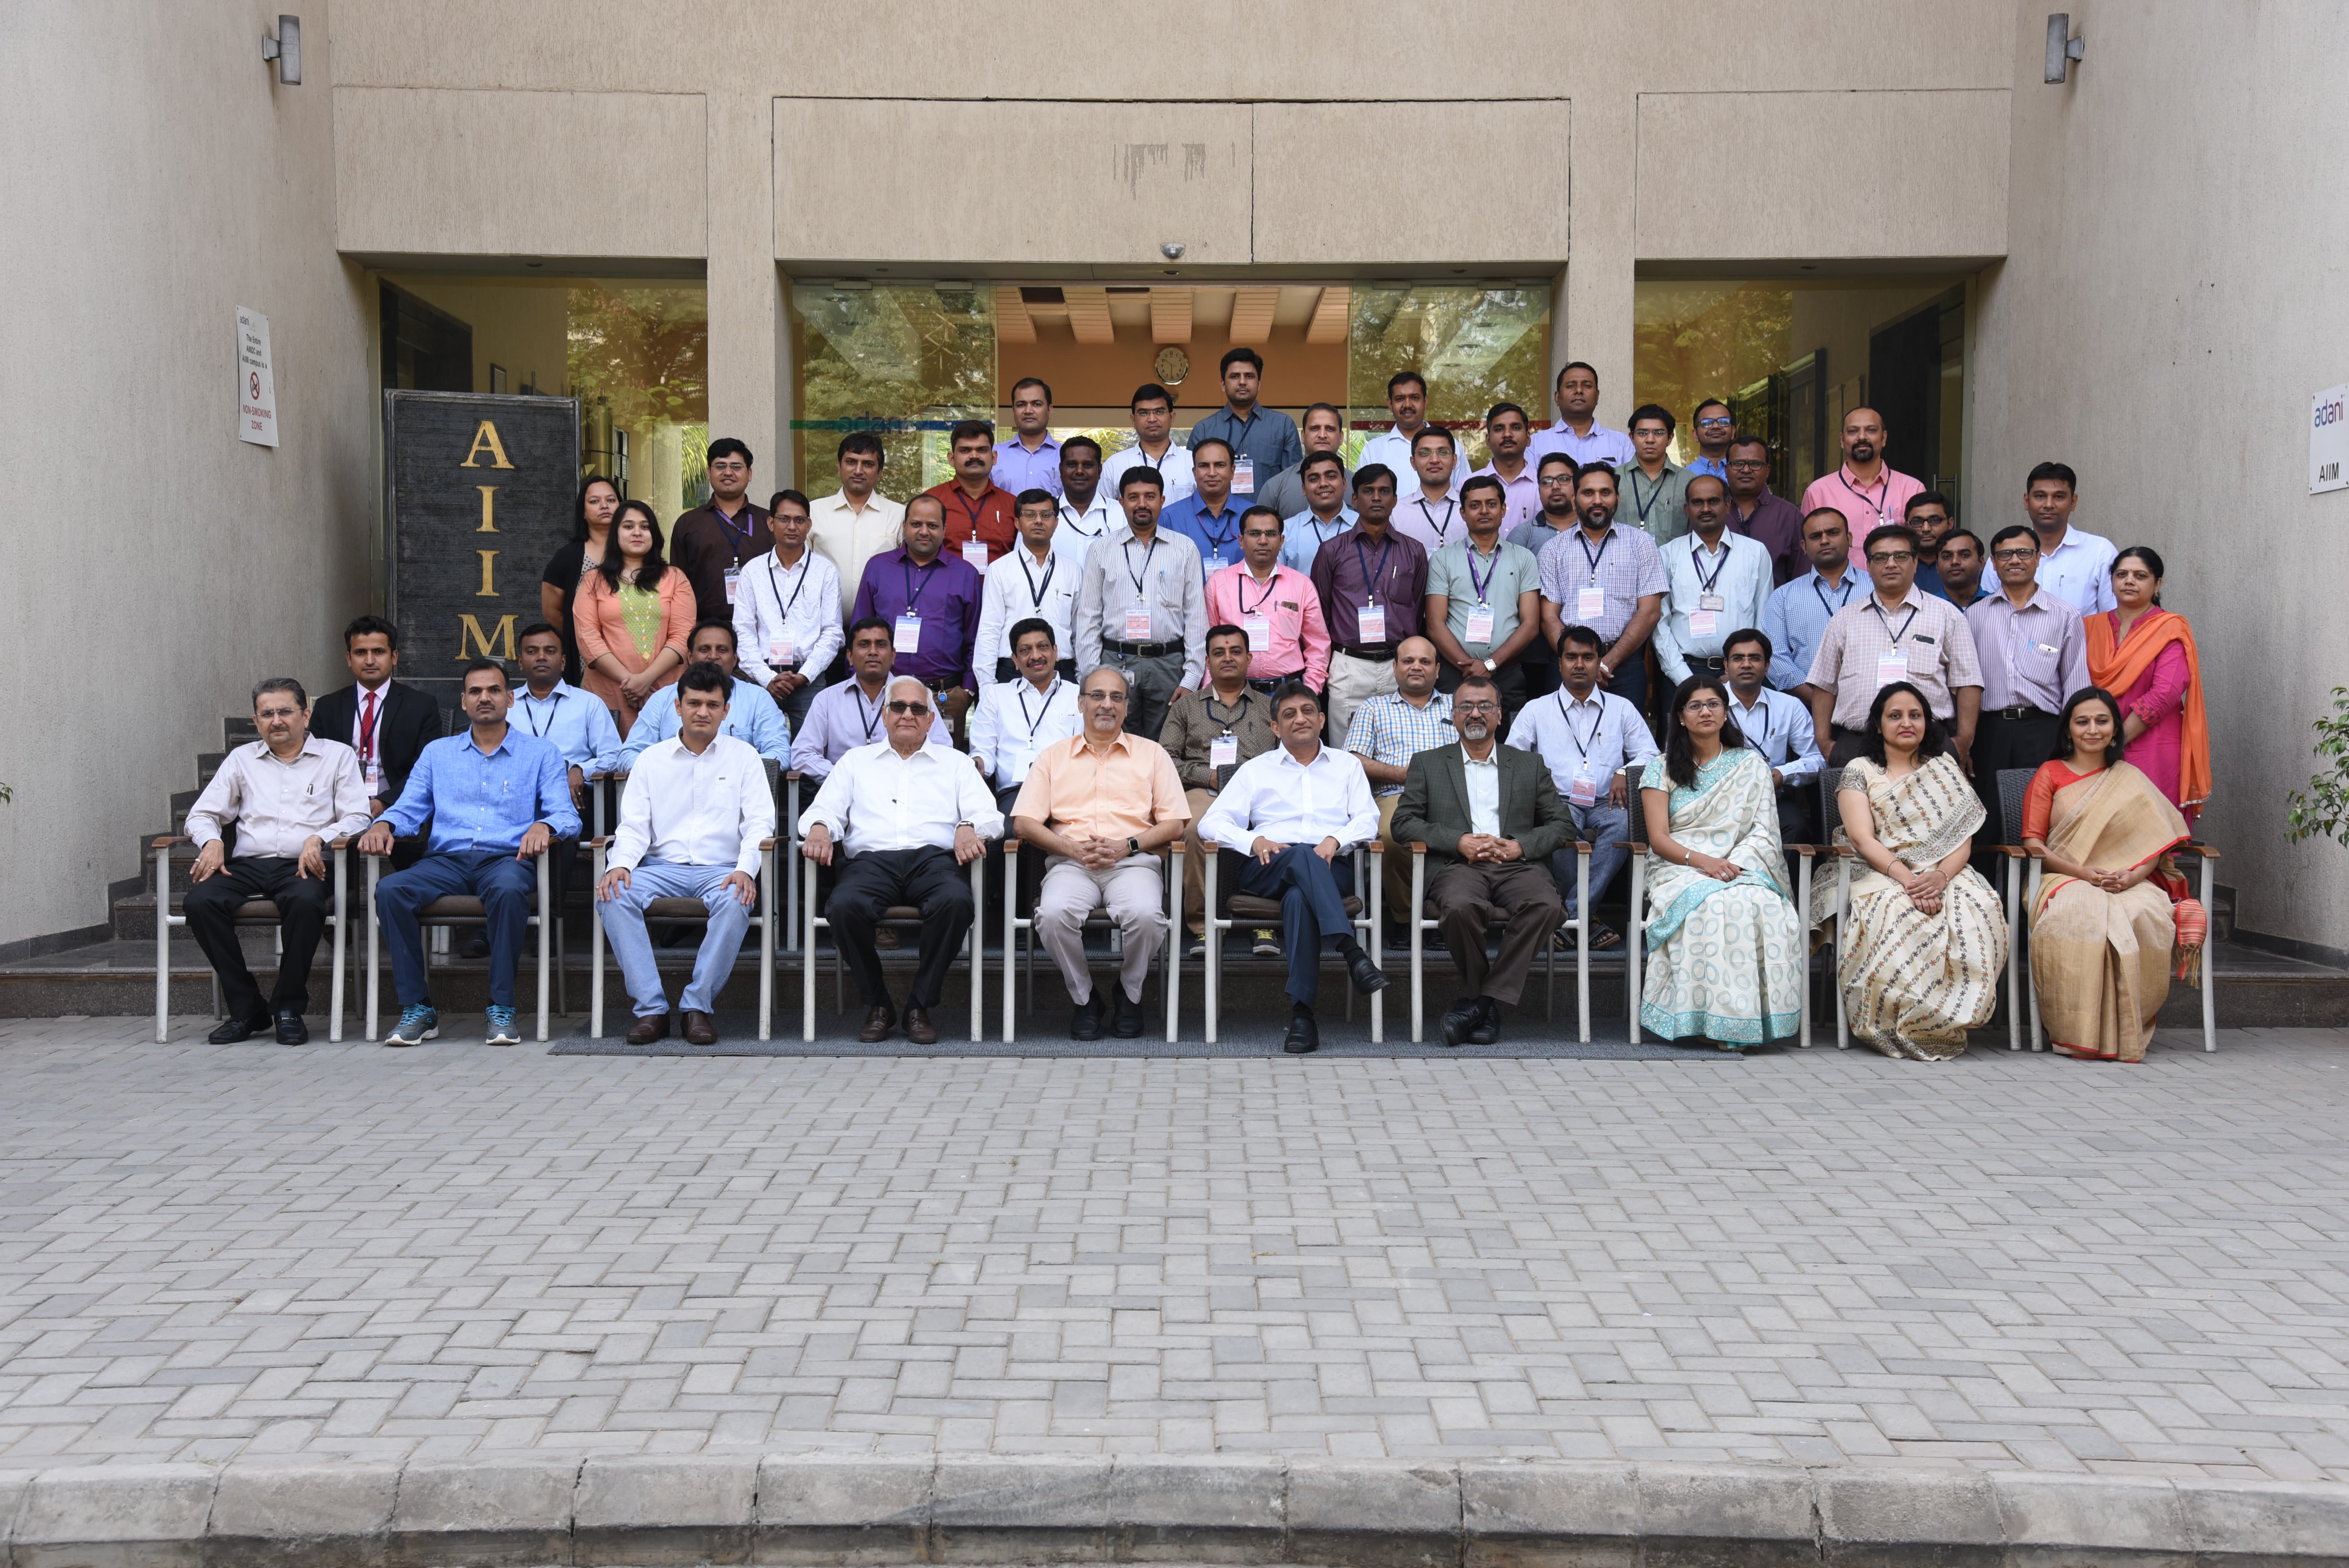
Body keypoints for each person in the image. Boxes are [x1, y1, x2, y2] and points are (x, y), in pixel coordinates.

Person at [359, 659, 579, 1048]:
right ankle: (418, 1008)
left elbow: (567, 815)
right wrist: (385, 824)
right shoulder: (438, 753)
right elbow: (410, 807)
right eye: (475, 691)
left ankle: (502, 1006)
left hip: (506, 860)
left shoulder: (541, 753)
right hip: (446, 861)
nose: (485, 698)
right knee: (391, 890)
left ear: (510, 698)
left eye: (494, 690)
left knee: (509, 891)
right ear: (463, 702)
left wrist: (544, 826)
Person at [800, 677, 1002, 1044]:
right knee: (843, 907)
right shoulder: (855, 762)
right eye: (898, 707)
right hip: (871, 862)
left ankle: (918, 1006)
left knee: (956, 903)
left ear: (930, 720)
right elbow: (824, 810)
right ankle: (878, 1004)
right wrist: (818, 828)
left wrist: (968, 827)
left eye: (918, 709)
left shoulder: (955, 763)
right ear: (884, 715)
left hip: (934, 861)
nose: (908, 714)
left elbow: (992, 818)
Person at [1818, 681, 2009, 1060]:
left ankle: (1946, 1021)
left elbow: (1963, 838)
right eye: (1895, 716)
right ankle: (1895, 1023)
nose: (1906, 723)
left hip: (1944, 871)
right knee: (1893, 910)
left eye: (1915, 715)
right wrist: (1909, 881)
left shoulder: (1943, 768)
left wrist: (1939, 878)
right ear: (1878, 724)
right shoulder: (1860, 769)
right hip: (1878, 870)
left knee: (1979, 905)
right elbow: (1862, 838)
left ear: (1927, 722)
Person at [1197, 682, 1389, 1055]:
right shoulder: (1255, 770)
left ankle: (1303, 1017)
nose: (1300, 719)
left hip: (1330, 866)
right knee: (1301, 855)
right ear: (1275, 728)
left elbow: (1368, 820)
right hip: (1268, 866)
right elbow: (1211, 823)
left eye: (1307, 711)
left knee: (1300, 898)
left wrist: (1335, 839)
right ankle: (1351, 951)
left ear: (1322, 719)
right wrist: (1253, 841)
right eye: (1289, 714)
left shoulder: (1347, 766)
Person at [595, 661, 777, 1046]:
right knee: (613, 893)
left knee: (736, 899)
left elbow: (760, 823)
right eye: (694, 703)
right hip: (661, 868)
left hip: (722, 869)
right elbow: (634, 826)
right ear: (678, 707)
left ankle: (697, 1007)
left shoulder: (745, 757)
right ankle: (651, 1009)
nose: (702, 712)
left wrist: (746, 869)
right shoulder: (651, 759)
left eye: (713, 705)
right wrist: (620, 864)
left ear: (726, 711)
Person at [181, 677, 371, 1044]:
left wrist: (320, 837)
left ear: (306, 716)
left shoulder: (337, 756)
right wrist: (212, 840)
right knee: (200, 903)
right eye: (267, 714)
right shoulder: (242, 760)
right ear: (256, 722)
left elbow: (358, 816)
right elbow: (202, 814)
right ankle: (247, 1009)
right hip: (249, 865)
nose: (277, 721)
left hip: (306, 865)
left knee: (305, 902)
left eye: (285, 711)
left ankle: (287, 1008)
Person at [1390, 674, 1572, 1048]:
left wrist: (1520, 846)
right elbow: (1403, 823)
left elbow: (1562, 824)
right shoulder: (1428, 763)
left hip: (1517, 865)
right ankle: (1485, 1005)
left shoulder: (1529, 764)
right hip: (1459, 866)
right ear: (1454, 715)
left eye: (1485, 706)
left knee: (1547, 906)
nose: (1476, 714)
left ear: (1500, 715)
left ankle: (1480, 1004)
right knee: (1460, 908)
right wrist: (1457, 841)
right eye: (1467, 707)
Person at [1011, 668, 1190, 1039]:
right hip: (1071, 865)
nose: (1107, 704)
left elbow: (1175, 823)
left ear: (1127, 707)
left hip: (1133, 864)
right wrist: (1073, 849)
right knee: (1053, 916)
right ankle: (1085, 998)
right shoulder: (1053, 757)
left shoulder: (1152, 754)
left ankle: (1129, 992)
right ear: (1081, 704)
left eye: (1116, 697)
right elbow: (1024, 823)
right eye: (1097, 696)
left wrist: (1128, 846)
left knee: (1147, 916)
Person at [2023, 687, 2198, 1062]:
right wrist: (2082, 873)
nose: (2092, 730)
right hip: (2065, 877)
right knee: (2078, 916)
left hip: (2127, 881)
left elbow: (2155, 842)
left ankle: (2125, 1030)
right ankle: (2078, 1031)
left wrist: (2133, 877)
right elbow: (2034, 845)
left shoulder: (2130, 778)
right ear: (2068, 730)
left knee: (2146, 914)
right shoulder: (2050, 774)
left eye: (2102, 721)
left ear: (2115, 729)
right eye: (2082, 722)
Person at [1636, 675, 1805, 1049]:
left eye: (1713, 704)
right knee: (1711, 905)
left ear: (1726, 713)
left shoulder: (1750, 765)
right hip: (1679, 867)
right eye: (1695, 706)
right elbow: (1659, 840)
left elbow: (1763, 831)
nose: (1706, 712)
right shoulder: (1660, 768)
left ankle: (1748, 1022)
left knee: (1757, 902)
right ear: (1681, 717)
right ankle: (1705, 1020)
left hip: (1742, 866)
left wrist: (1734, 868)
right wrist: (1707, 864)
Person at [1506, 623, 1657, 950]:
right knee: (1560, 824)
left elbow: (1650, 754)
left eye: (1588, 657)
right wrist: (1540, 782)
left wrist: (1624, 770)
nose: (1579, 664)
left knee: (1624, 824)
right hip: (1558, 799)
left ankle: (1569, 916)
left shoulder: (1621, 708)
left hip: (1608, 801)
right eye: (1571, 657)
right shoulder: (1537, 709)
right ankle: (1587, 919)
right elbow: (1513, 758)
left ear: (1599, 662)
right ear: (1560, 663)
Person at [1804, 524, 1982, 770]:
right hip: (1857, 744)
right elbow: (1824, 684)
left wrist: (1962, 743)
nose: (1891, 564)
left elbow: (1968, 683)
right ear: (1868, 566)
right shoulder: (1844, 619)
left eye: (1900, 556)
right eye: (1880, 558)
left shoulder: (1947, 616)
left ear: (1915, 562)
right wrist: (1825, 744)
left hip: (1929, 744)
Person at [1159, 625, 1278, 954]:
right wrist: (1207, 776)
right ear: (1207, 662)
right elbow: (1165, 760)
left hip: (1259, 793)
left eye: (1236, 651)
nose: (1228, 658)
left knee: (1275, 826)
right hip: (1204, 790)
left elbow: (1288, 757)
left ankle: (1265, 923)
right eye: (1219, 653)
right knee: (1194, 829)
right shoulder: (1185, 707)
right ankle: (1204, 927)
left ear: (1249, 659)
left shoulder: (1270, 707)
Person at [1967, 524, 2091, 827]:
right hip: (1989, 731)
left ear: (2038, 559)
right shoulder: (1974, 615)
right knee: (1986, 820)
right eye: (2005, 554)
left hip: (2043, 731)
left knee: (2044, 817)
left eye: (2024, 553)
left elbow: (2077, 686)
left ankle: (2039, 863)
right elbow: (1964, 681)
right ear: (1993, 563)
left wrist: (2074, 743)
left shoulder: (2065, 615)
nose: (2015, 560)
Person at [1074, 467, 1208, 740]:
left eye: (1150, 496)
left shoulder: (1185, 549)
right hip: (1115, 661)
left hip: (1169, 664)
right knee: (1114, 742)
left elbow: (1196, 617)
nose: (1142, 504)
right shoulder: (1101, 550)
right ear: (1121, 502)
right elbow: (1088, 618)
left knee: (1169, 744)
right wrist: (1092, 676)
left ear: (1162, 500)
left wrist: (1192, 677)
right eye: (1133, 497)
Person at [2086, 545, 2210, 827]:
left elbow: (2165, 694)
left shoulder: (2169, 629)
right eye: (2122, 575)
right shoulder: (2090, 627)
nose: (2129, 581)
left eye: (2140, 576)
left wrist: (2115, 742)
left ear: (2157, 584)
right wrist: (2095, 741)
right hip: (2093, 742)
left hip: (2153, 746)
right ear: (2111, 581)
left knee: (2151, 828)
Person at [1344, 638, 1454, 944]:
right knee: (1392, 838)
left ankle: (1445, 916)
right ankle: (1407, 919)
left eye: (1425, 662)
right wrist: (1404, 775)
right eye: (1408, 661)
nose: (1416, 667)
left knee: (1466, 835)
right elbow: (1353, 760)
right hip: (1396, 795)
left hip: (1453, 795)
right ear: (1395, 668)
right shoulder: (1373, 708)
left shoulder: (1457, 705)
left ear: (1438, 670)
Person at [1312, 465, 1429, 746]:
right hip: (1349, 667)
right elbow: (1321, 612)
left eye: (1384, 491)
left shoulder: (1414, 551)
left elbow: (1418, 608)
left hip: (1397, 667)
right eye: (1368, 491)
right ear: (1355, 499)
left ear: (1395, 500)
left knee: (1398, 747)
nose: (1377, 498)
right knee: (1346, 752)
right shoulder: (1332, 550)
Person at [1535, 462, 1666, 714]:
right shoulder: (1553, 549)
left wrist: (1606, 664)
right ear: (1574, 500)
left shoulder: (1641, 544)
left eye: (1605, 493)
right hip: (1567, 667)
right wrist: (1578, 660)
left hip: (1624, 667)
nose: (1597, 500)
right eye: (1588, 493)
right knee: (1561, 736)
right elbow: (1548, 617)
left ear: (1618, 498)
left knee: (1625, 738)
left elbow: (1650, 612)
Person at [850, 492, 984, 737]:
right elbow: (859, 633)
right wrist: (859, 688)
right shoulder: (878, 568)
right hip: (885, 695)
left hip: (944, 697)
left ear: (945, 529)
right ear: (904, 527)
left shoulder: (966, 574)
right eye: (916, 524)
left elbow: (976, 639)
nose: (924, 532)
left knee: (942, 761)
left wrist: (968, 692)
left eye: (932, 526)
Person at [575, 499, 695, 734]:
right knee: (609, 754)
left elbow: (683, 636)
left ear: (654, 535)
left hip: (664, 690)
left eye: (645, 527)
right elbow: (587, 637)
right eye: (628, 526)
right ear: (616, 534)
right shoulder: (593, 580)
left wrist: (646, 680)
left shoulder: (675, 578)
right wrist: (632, 683)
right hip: (609, 690)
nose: (637, 533)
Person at [1426, 474, 1542, 716]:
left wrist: (1491, 664)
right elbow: (1435, 624)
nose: (1484, 511)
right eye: (1475, 505)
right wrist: (1469, 667)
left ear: (1503, 509)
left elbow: (1531, 624)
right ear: (1463, 513)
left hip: (1507, 672)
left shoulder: (1524, 558)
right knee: (1453, 736)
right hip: (1455, 672)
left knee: (1508, 738)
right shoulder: (1442, 559)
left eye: (1491, 504)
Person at [733, 488, 843, 733]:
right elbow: (743, 630)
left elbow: (833, 632)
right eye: (784, 519)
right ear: (771, 523)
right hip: (761, 678)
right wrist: (767, 678)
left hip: (809, 678)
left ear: (809, 525)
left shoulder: (825, 571)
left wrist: (805, 675)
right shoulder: (753, 571)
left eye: (799, 520)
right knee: (759, 747)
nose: (792, 526)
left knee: (812, 749)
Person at [615, 619, 792, 770]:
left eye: (722, 650)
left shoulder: (758, 698)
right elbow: (629, 756)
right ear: (690, 657)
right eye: (705, 649)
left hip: (735, 792)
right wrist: (677, 769)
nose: (713, 656)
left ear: (735, 659)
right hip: (673, 792)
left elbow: (780, 754)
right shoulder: (662, 699)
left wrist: (726, 769)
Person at [789, 617, 950, 781]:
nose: (873, 652)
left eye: (881, 645)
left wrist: (906, 778)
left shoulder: (918, 696)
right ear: (850, 656)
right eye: (864, 645)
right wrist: (845, 778)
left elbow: (943, 750)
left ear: (893, 655)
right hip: (847, 792)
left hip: (906, 789)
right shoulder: (828, 700)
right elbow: (802, 754)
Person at [312, 616, 440, 823]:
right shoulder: (328, 707)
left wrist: (385, 802)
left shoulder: (421, 706)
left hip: (397, 808)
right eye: (361, 653)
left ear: (394, 657)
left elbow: (426, 768)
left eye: (379, 652)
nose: (370, 661)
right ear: (349, 658)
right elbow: (315, 765)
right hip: (337, 810)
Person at [1654, 474, 1773, 687]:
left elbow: (1764, 619)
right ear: (1687, 510)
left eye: (1714, 501)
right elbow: (1660, 622)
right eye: (1698, 502)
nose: (1706, 509)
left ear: (1728, 506)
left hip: (1740, 672)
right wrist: (1684, 678)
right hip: (1683, 671)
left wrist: (1744, 667)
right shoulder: (1667, 555)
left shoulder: (1755, 553)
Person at [1205, 505, 1330, 693]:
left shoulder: (1302, 585)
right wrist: (1210, 690)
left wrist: (1310, 690)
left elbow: (1318, 644)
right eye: (1255, 534)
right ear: (1241, 540)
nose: (1263, 541)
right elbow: (1207, 643)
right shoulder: (1218, 584)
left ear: (1281, 541)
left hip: (1288, 691)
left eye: (1270, 534)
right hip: (1233, 691)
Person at [1721, 629, 1825, 848]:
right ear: (1726, 666)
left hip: (1771, 799)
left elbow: (1817, 758)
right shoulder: (1708, 704)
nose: (1746, 664)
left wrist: (1782, 775)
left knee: (1797, 827)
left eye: (1755, 658)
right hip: (1718, 799)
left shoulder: (1789, 706)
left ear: (1767, 666)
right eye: (1738, 658)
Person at [969, 618, 1081, 815]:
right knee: (1012, 827)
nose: (1036, 656)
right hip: (1016, 794)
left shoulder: (1079, 696)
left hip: (1068, 792)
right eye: (1025, 650)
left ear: (1056, 652)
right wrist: (977, 764)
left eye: (1043, 647)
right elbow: (984, 752)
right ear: (1015, 660)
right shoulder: (997, 696)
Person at [514, 622, 623, 813]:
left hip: (572, 798)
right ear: (521, 662)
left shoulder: (588, 703)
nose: (541, 657)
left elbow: (615, 756)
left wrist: (581, 769)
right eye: (532, 652)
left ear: (563, 662)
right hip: (513, 797)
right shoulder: (506, 705)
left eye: (550, 651)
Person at [975, 488, 1081, 682]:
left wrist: (1082, 679)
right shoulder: (999, 569)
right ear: (1017, 523)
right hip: (1012, 672)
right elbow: (989, 629)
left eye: (1046, 515)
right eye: (1030, 515)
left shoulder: (1073, 570)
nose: (1039, 521)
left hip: (1062, 673)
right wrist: (987, 684)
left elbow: (1081, 630)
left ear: (1056, 523)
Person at [1798, 410, 1923, 565]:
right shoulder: (1818, 492)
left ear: (1884, 438)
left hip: (1898, 581)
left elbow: (1924, 548)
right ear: (1842, 440)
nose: (1862, 437)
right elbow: (1807, 555)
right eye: (1853, 431)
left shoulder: (1912, 489)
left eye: (1871, 430)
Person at [668, 438, 770, 625]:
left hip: (762, 629)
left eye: (736, 467)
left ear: (749, 474)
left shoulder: (769, 522)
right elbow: (677, 584)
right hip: (705, 630)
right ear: (709, 473)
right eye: (721, 466)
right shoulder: (688, 524)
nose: (728, 472)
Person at [809, 432, 908, 622]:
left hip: (879, 627)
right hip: (823, 626)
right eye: (851, 462)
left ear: (880, 472)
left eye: (868, 464)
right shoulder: (814, 512)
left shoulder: (899, 515)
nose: (858, 471)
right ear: (839, 467)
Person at [1762, 508, 1861, 694]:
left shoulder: (1875, 589)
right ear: (1804, 547)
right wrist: (1819, 700)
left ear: (1849, 538)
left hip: (1871, 703)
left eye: (1833, 533)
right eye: (1815, 537)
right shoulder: (1783, 597)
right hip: (1806, 704)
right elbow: (1776, 657)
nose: (1825, 541)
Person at [1187, 346, 1301, 501]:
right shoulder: (1204, 430)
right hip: (1218, 516)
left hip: (1269, 515)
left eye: (1249, 376)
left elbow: (1294, 484)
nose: (1242, 382)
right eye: (1235, 376)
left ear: (1259, 384)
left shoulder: (1283, 426)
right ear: (1223, 385)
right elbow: (1193, 483)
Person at [541, 475, 620, 685]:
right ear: (583, 512)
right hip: (587, 659)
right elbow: (552, 611)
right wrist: (585, 634)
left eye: (611, 500)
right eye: (594, 501)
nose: (604, 506)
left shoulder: (638, 553)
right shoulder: (568, 557)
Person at [2025, 461, 2119, 615]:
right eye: (2040, 496)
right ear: (2027, 501)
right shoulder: (2006, 555)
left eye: (2059, 497)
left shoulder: (2100, 552)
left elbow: (2113, 617)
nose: (2049, 504)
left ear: (2073, 502)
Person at [925, 420, 1018, 567]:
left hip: (1000, 583)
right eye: (965, 450)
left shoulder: (1012, 505)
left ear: (994, 458)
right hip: (945, 582)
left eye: (982, 450)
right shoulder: (931, 502)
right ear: (951, 459)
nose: (974, 456)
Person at [1722, 432, 1805, 584]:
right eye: (1738, 463)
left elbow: (1802, 577)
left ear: (1767, 470)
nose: (1746, 470)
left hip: (1775, 600)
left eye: (1755, 464)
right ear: (1727, 470)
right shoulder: (1710, 513)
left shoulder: (1789, 516)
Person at [1160, 436, 1246, 574]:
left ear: (1232, 471)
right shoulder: (1169, 518)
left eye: (1220, 465)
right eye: (1204, 466)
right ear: (1195, 473)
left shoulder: (1252, 515)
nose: (1212, 473)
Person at [1527, 362, 1636, 469]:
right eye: (1571, 386)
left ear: (1597, 396)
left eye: (1587, 386)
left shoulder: (1622, 443)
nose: (1579, 391)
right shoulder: (1535, 444)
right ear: (1557, 397)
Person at [1101, 382, 1194, 504]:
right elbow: (1104, 511)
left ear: (1172, 418)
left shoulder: (1193, 463)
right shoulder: (1114, 466)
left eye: (1159, 412)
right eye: (1144, 413)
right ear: (1133, 420)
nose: (1152, 419)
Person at [1255, 402, 1346, 522]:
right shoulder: (1274, 488)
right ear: (1303, 436)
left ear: (1341, 437)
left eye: (1330, 429)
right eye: (1315, 428)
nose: (1322, 435)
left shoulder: (1358, 486)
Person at [1621, 403, 1691, 546]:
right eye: (1642, 433)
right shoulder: (1614, 479)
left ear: (1670, 438)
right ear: (1632, 438)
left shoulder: (1689, 481)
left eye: (1658, 433)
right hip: (1625, 560)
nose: (1650, 440)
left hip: (1674, 561)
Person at [1358, 372, 1444, 487]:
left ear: (1426, 401)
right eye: (1400, 399)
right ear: (1390, 404)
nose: (1407, 405)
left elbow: (1464, 493)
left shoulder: (1451, 448)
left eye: (1415, 398)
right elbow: (1362, 495)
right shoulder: (1372, 452)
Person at [1391, 427, 1465, 556]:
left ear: (1454, 461)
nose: (1435, 460)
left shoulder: (1472, 509)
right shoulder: (1396, 513)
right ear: (1413, 463)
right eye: (1425, 453)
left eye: (1443, 452)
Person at [1278, 450, 1355, 573]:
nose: (1323, 484)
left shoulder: (1363, 526)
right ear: (1304, 489)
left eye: (1331, 477)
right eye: (1314, 479)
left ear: (1345, 483)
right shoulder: (1285, 531)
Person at [1468, 402, 1540, 531]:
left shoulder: (1543, 485)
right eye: (1499, 429)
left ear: (1528, 438)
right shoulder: (1467, 485)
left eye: (1516, 428)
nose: (1507, 434)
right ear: (1488, 441)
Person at [991, 377, 1062, 497]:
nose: (1028, 411)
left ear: (1050, 411)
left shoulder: (1065, 456)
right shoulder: (994, 455)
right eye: (1021, 405)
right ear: (1014, 411)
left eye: (1037, 404)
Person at [1052, 437, 1116, 562]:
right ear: (1061, 469)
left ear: (1100, 470)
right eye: (1072, 465)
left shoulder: (1121, 514)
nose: (1080, 471)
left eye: (1088, 465)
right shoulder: (1042, 515)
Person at [1903, 491, 1954, 599]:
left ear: (1950, 524)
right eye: (1917, 522)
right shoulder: (1897, 567)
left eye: (1935, 520)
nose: (1926, 529)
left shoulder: (1964, 566)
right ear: (1907, 527)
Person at [1935, 528, 1993, 608]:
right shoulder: (1926, 608)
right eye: (1947, 557)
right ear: (1937, 566)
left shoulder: (2000, 607)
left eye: (1965, 555)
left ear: (1981, 563)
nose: (1955, 562)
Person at [1685, 399, 1735, 482]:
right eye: (1707, 423)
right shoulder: (1684, 477)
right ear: (1696, 434)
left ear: (1733, 432)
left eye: (1723, 422)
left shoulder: (1743, 474)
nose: (1716, 427)